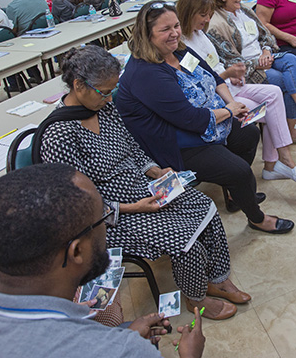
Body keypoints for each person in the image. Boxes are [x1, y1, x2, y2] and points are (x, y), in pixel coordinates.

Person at [37, 45, 249, 319]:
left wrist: (155, 171)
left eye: (113, 91)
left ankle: (217, 278)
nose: (110, 98)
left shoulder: (104, 109)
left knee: (203, 206)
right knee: (184, 238)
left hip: (140, 190)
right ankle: (194, 297)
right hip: (108, 217)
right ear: (79, 86)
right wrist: (133, 208)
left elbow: (132, 148)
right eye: (105, 92)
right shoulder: (59, 135)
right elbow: (74, 204)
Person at [0, 163, 206, 358]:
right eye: (102, 219)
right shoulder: (121, 352)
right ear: (76, 251)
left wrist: (120, 334)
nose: (107, 226)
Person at [116, 1, 294, 234]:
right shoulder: (146, 72)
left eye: (177, 26)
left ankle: (234, 193)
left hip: (202, 124)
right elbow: (191, 119)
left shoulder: (178, 51)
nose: (175, 33)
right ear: (146, 34)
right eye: (165, 29)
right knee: (240, 171)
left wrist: (230, 102)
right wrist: (229, 112)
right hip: (175, 142)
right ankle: (257, 219)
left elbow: (215, 78)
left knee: (249, 134)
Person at [177, 0, 296, 184]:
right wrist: (227, 74)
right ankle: (279, 163)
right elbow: (202, 82)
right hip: (216, 96)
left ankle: (277, 163)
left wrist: (230, 74)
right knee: (271, 111)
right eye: (203, 15)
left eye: (208, 15)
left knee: (275, 93)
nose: (207, 20)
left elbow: (215, 64)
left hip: (228, 85)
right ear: (189, 12)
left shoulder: (199, 33)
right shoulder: (183, 44)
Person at [208, 0, 296, 143]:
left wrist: (267, 51)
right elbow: (230, 62)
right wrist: (257, 63)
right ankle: (290, 132)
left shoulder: (244, 10)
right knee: (284, 80)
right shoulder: (216, 24)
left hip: (264, 57)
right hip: (246, 69)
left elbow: (266, 35)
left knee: (291, 59)